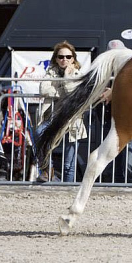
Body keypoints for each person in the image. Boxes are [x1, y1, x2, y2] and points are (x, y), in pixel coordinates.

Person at [38, 41, 87, 182]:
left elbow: (73, 92)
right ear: (56, 58)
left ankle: (67, 191)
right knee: (39, 132)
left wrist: (66, 77)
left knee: (68, 164)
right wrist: (63, 89)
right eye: (60, 57)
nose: (64, 59)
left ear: (73, 58)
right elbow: (43, 90)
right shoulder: (50, 72)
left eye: (68, 57)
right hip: (52, 117)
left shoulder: (78, 73)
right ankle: (48, 169)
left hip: (73, 121)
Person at [99, 39, 132, 183]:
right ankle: (108, 183)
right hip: (109, 118)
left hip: (129, 121)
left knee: (129, 158)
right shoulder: (104, 73)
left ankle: (131, 185)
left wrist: (114, 91)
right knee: (107, 155)